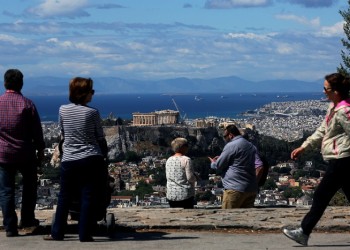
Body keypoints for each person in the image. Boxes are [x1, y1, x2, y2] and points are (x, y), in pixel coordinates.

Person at [283, 73, 350, 246]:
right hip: (340, 158)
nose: (323, 92)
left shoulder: (345, 111)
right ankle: (303, 232)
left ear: (335, 91)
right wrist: (304, 146)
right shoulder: (333, 107)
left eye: (326, 88)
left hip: (342, 159)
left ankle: (303, 232)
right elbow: (322, 130)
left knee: (321, 196)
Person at [44, 77, 107, 242]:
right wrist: (104, 153)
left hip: (70, 158)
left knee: (64, 196)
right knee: (88, 195)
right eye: (91, 91)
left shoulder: (62, 110)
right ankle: (85, 234)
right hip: (90, 157)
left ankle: (57, 233)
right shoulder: (92, 112)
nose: (93, 94)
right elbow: (99, 137)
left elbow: (63, 133)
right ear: (83, 94)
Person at [0, 69, 45, 237]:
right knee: (29, 188)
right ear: (21, 84)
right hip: (26, 154)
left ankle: (10, 227)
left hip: (3, 155)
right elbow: (37, 132)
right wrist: (40, 151)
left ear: (5, 83)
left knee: (6, 191)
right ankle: (27, 220)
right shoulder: (27, 104)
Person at [209, 125, 257, 209]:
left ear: (230, 135)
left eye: (225, 136)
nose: (224, 138)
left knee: (228, 218)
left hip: (235, 189)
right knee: (246, 218)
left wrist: (213, 162)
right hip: (251, 188)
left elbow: (218, 166)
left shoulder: (231, 146)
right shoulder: (251, 146)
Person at [166, 137, 197, 209]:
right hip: (185, 195)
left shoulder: (168, 160)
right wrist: (196, 178)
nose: (188, 147)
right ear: (182, 147)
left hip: (171, 195)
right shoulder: (186, 159)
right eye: (186, 145)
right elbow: (190, 178)